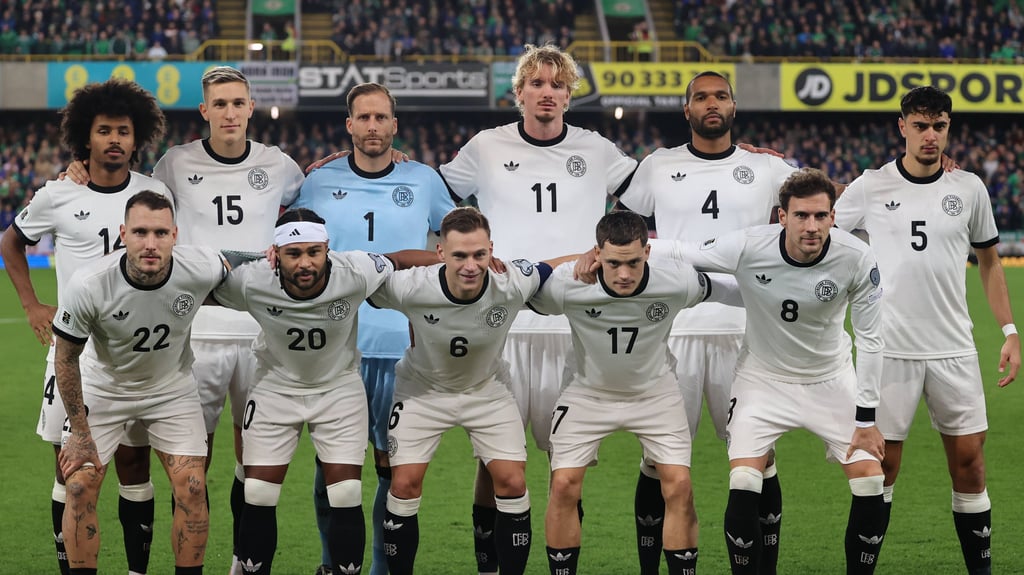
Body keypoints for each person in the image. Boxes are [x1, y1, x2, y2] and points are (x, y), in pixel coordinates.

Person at [66, 66, 306, 571]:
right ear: (205, 110)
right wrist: (79, 170)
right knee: (194, 468)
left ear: (251, 108)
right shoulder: (175, 164)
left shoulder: (279, 165)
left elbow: (308, 201)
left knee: (254, 461)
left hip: (261, 333)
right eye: (219, 103)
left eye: (238, 102)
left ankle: (244, 561)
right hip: (194, 332)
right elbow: (134, 204)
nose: (230, 112)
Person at [438, 44, 638, 573]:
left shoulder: (597, 150)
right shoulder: (485, 147)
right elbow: (434, 195)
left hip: (575, 327)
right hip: (501, 323)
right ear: (519, 92)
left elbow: (653, 194)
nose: (547, 93)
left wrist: (741, 156)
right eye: (537, 84)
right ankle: (490, 566)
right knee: (494, 461)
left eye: (557, 85)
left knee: (565, 463)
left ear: (569, 95)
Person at [615, 71, 800, 574]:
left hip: (748, 333)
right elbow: (620, 227)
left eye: (720, 95)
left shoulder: (767, 168)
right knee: (659, 460)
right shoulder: (658, 166)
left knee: (758, 460)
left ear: (734, 106)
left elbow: (824, 200)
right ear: (687, 110)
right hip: (672, 331)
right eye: (701, 97)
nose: (711, 103)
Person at [834, 86, 1019, 575]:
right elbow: (818, 227)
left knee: (971, 466)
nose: (930, 135)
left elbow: (990, 261)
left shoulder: (969, 188)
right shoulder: (871, 186)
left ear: (948, 128)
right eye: (920, 125)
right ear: (902, 127)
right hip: (888, 349)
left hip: (953, 348)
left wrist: (1010, 330)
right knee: (880, 472)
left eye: (939, 125)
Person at [665, 168, 888, 574]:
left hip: (831, 380)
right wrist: (613, 247)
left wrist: (867, 418)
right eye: (801, 215)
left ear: (834, 217)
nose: (812, 226)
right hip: (762, 380)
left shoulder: (856, 257)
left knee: (871, 482)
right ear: (781, 216)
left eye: (821, 216)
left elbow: (873, 339)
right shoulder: (750, 244)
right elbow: (683, 251)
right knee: (745, 482)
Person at [0, 78, 170, 575]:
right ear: (86, 138)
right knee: (70, 467)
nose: (114, 139)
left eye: (123, 130)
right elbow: (12, 241)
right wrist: (32, 305)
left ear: (136, 138)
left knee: (134, 466)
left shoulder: (155, 192)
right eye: (104, 131)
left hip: (137, 354)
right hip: (73, 353)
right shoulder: (58, 192)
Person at [212, 208, 436, 575]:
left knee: (346, 493)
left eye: (314, 252)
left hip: (338, 391)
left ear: (327, 249)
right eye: (294, 253)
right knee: (258, 493)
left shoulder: (355, 271)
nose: (305, 263)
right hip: (275, 391)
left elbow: (398, 260)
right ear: (275, 254)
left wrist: (446, 260)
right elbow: (206, 275)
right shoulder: (252, 280)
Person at [292, 82, 455, 575]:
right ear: (349, 125)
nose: (372, 127)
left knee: (395, 470)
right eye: (363, 118)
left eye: (381, 118)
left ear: (394, 125)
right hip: (335, 348)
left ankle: (387, 569)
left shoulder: (423, 179)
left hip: (403, 348)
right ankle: (333, 564)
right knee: (333, 472)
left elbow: (458, 242)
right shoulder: (317, 181)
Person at [369, 207, 577, 575]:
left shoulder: (509, 280)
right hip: (422, 392)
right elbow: (360, 274)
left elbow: (550, 266)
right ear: (440, 254)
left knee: (513, 481)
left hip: (487, 392)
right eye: (459, 255)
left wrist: (594, 255)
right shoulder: (412, 286)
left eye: (480, 254)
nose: (470, 265)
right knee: (403, 484)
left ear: (492, 250)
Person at [533, 210, 740, 575]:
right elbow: (514, 291)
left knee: (678, 485)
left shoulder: (676, 281)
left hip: (655, 395)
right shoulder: (571, 282)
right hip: (586, 395)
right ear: (597, 254)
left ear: (647, 251)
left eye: (632, 262)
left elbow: (729, 290)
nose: (624, 274)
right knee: (563, 484)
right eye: (613, 263)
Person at [53, 190, 226, 574]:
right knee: (78, 487)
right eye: (141, 232)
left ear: (176, 235)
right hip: (104, 388)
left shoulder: (200, 266)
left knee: (193, 486)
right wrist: (80, 431)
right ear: (123, 233)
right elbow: (65, 358)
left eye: (161, 233)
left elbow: (241, 264)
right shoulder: (89, 284)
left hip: (171, 389)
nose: (151, 243)